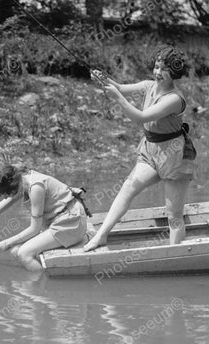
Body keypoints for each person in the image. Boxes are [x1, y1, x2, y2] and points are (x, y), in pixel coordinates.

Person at [84, 45, 196, 251]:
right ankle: (101, 236)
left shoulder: (173, 99)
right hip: (150, 150)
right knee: (127, 189)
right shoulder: (147, 85)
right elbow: (118, 86)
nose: (158, 73)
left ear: (175, 72)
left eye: (164, 69)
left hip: (174, 155)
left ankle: (175, 254)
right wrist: (103, 78)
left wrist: (118, 98)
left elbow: (141, 117)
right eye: (156, 67)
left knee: (174, 215)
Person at [0, 165, 89, 272]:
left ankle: (42, 289)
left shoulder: (35, 188)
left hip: (72, 222)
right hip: (60, 221)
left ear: (12, 186)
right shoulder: (22, 181)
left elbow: (34, 229)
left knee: (24, 253)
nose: (7, 197)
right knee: (15, 251)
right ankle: (43, 274)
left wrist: (8, 241)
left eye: (7, 194)